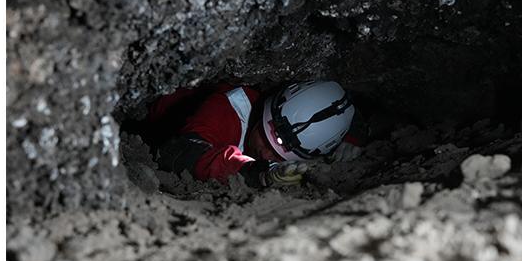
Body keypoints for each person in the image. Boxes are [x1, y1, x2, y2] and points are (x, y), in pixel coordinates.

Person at [142, 80, 360, 188]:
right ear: (262, 115)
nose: (265, 155)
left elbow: (340, 114)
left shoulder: (314, 139)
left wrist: (350, 139)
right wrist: (251, 171)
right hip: (155, 108)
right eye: (265, 139)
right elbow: (179, 152)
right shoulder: (227, 110)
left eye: (278, 156)